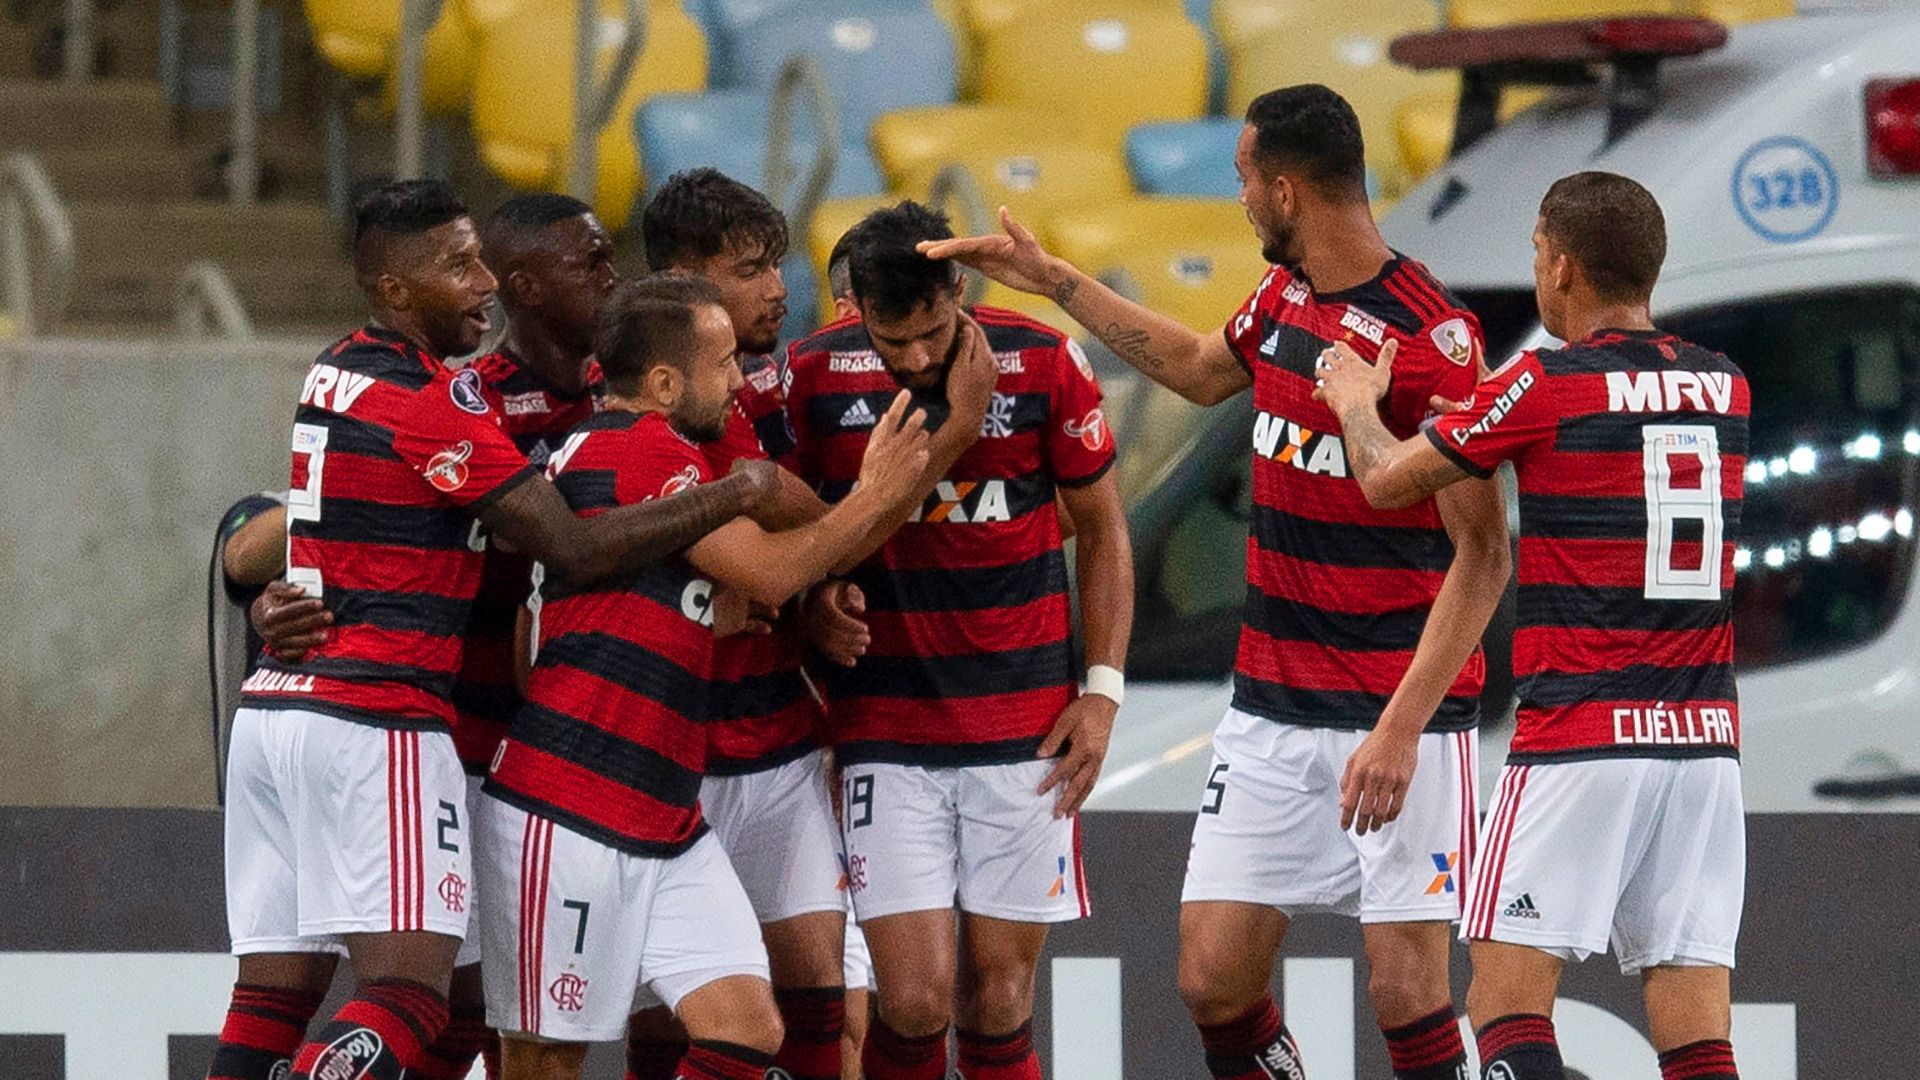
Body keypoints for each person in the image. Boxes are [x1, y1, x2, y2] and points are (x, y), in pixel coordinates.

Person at [922, 84, 1510, 1080]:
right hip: (1272, 711)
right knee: (1211, 978)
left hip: (1395, 715)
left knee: (1409, 992)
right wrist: (1053, 278)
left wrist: (1404, 728)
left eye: (1243, 180)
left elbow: (1485, 554)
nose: (1238, 198)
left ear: (1286, 190)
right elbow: (1197, 368)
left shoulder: (1432, 337)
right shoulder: (1282, 299)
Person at [210, 180, 776, 1080]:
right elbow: (570, 547)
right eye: (585, 261)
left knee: (299, 992)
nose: (610, 275)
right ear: (528, 286)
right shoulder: (459, 397)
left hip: (336, 719)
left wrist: (318, 568)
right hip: (418, 728)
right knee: (424, 997)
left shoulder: (344, 366)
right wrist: (277, 587)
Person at [1315, 171, 1748, 1080]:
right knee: (1696, 1025)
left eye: (1537, 256)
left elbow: (1386, 479)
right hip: (1704, 743)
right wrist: (1479, 433)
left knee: (1503, 1003)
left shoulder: (1543, 379)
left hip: (1581, 735)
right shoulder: (1725, 384)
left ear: (1563, 267)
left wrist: (1354, 398)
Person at [474, 274, 931, 1080]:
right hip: (572, 806)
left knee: (746, 1027)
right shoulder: (647, 448)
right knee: (543, 1061)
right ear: (662, 385)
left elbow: (530, 639)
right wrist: (878, 495)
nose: (735, 382)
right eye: (720, 365)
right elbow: (776, 572)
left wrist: (672, 614)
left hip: (663, 810)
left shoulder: (588, 447)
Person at [626, 168, 994, 1080]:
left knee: (823, 1007)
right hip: (674, 756)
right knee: (684, 1019)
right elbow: (799, 548)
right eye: (750, 269)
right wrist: (945, 442)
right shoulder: (663, 419)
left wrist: (810, 604)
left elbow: (818, 543)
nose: (776, 289)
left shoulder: (756, 398)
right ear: (684, 279)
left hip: (784, 744)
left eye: (776, 264)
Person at [788, 200, 1134, 1080]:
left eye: (931, 332)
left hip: (1025, 729)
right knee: (911, 1001)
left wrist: (1101, 692)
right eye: (888, 337)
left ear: (960, 290)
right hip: (885, 729)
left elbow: (1102, 531)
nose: (912, 357)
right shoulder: (811, 378)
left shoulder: (1046, 361)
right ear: (852, 306)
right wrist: (813, 602)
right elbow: (789, 543)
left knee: (1000, 1000)